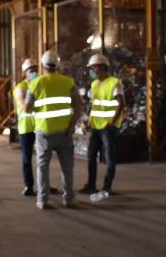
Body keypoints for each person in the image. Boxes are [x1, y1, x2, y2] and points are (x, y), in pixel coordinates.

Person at [25, 51, 83, 209]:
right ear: (58, 65)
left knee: (42, 166)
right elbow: (79, 104)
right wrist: (72, 126)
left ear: (43, 65)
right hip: (65, 132)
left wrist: (38, 106)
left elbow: (27, 108)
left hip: (44, 132)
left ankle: (42, 199)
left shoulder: (35, 83)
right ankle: (69, 198)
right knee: (67, 167)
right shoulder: (68, 82)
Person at [79, 54, 124, 198]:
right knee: (91, 156)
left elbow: (120, 103)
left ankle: (106, 187)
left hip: (108, 127)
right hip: (96, 126)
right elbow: (95, 106)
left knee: (109, 158)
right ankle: (91, 184)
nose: (92, 70)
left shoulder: (114, 83)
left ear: (103, 67)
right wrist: (89, 121)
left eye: (94, 67)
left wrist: (112, 121)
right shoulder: (94, 84)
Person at [14, 58, 38, 196]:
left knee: (42, 160)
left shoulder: (40, 84)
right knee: (27, 159)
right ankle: (29, 186)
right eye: (31, 70)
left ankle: (43, 185)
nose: (34, 72)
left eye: (35, 69)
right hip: (26, 128)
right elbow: (25, 106)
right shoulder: (21, 87)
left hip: (40, 127)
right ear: (25, 73)